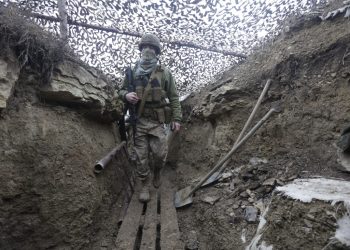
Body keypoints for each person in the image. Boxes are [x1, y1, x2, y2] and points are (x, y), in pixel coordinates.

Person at [118, 33, 182, 203]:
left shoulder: (164, 73)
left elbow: (174, 97)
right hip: (138, 121)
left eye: (151, 48)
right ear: (140, 50)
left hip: (156, 121)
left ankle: (157, 172)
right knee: (141, 156)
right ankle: (145, 185)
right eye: (145, 47)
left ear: (156, 51)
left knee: (160, 154)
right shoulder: (131, 72)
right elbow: (121, 90)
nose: (148, 50)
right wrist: (126, 95)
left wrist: (177, 119)